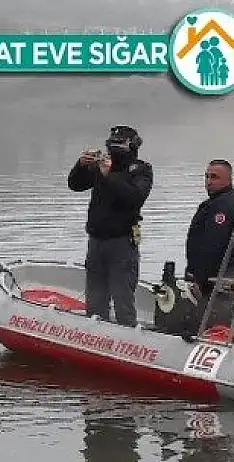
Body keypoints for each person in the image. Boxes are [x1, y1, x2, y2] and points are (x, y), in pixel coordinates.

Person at [67, 125, 154, 327]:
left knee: (122, 297)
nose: (114, 148)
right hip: (96, 241)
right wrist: (81, 165)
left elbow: (135, 197)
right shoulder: (102, 166)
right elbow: (75, 184)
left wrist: (109, 176)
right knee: (95, 297)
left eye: (120, 143)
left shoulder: (141, 169)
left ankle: (128, 338)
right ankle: (94, 337)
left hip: (122, 243)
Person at [185, 159, 234, 329]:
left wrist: (199, 279)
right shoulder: (216, 202)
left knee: (213, 322)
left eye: (215, 177)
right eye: (207, 177)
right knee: (210, 317)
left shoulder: (224, 205)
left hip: (217, 276)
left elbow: (214, 245)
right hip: (213, 275)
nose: (209, 181)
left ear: (228, 180)